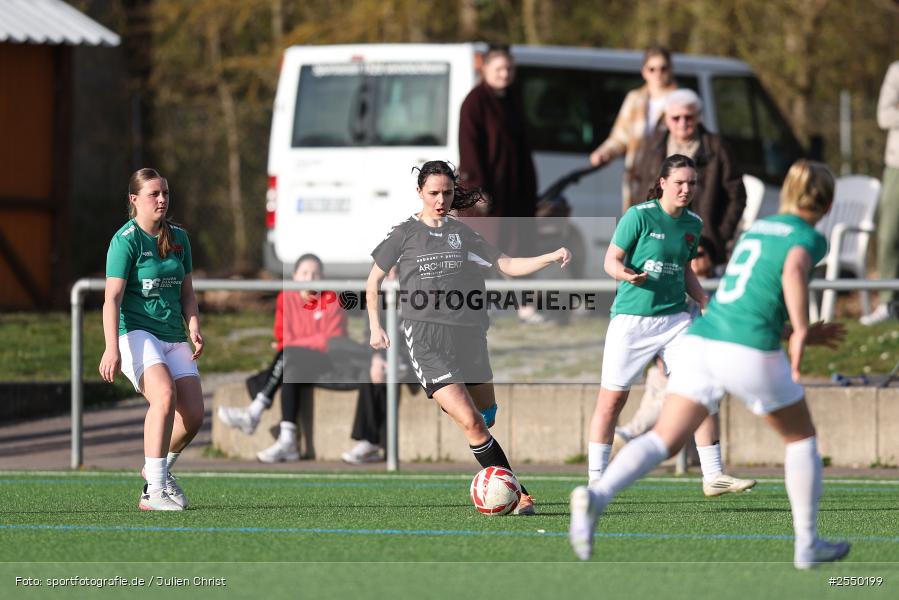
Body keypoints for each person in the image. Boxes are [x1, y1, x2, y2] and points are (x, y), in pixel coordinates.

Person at [570, 160, 850, 569]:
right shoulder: (810, 237)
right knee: (801, 438)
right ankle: (807, 544)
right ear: (827, 204)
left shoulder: (759, 228)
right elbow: (791, 272)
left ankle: (596, 496)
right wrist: (802, 332)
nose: (686, 188)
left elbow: (746, 294)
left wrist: (789, 331)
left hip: (704, 337)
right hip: (745, 347)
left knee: (664, 438)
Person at [367, 160, 571, 515]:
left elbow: (507, 265)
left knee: (486, 416)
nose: (441, 200)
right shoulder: (404, 234)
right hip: (427, 340)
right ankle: (519, 494)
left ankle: (480, 435)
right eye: (433, 193)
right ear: (419, 192)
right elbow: (373, 282)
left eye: (447, 193)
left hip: (470, 336)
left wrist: (550, 257)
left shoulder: (463, 234)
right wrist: (375, 326)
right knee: (473, 423)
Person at [586, 155, 755, 496]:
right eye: (679, 182)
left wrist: (704, 301)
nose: (686, 189)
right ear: (662, 183)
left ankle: (713, 475)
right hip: (632, 320)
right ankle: (595, 481)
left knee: (702, 391)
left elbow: (685, 269)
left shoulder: (693, 223)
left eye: (692, 183)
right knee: (611, 401)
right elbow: (610, 261)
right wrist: (626, 275)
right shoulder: (639, 216)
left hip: (676, 319)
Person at [99, 168, 204, 511]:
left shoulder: (179, 238)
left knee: (194, 416)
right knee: (164, 395)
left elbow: (187, 293)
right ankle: (154, 491)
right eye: (154, 194)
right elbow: (112, 299)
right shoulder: (125, 240)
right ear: (134, 199)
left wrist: (193, 326)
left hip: (172, 334)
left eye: (165, 193)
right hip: (136, 333)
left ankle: (157, 469)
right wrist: (111, 347)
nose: (162, 199)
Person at [218, 254, 347, 462]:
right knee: (291, 367)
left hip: (326, 361)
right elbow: (283, 336)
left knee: (289, 356)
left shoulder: (331, 299)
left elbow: (330, 341)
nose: (310, 277)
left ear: (323, 277)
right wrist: (301, 343)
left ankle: (255, 412)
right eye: (305, 273)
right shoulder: (285, 298)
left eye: (315, 273)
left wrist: (296, 343)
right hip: (294, 362)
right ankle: (287, 441)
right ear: (295, 276)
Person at [458, 44, 542, 322]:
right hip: (485, 196)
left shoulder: (512, 99)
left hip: (514, 191)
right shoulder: (474, 102)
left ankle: (524, 306)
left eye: (509, 69)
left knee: (518, 248)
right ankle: (472, 306)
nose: (504, 74)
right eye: (499, 69)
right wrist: (476, 191)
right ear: (485, 70)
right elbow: (469, 148)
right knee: (482, 250)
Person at [632, 88, 746, 270]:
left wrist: (717, 239)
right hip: (658, 245)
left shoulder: (717, 148)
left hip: (703, 247)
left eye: (689, 117)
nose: (682, 123)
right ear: (666, 119)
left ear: (699, 117)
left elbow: (737, 197)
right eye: (676, 118)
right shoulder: (653, 147)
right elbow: (641, 191)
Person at [589, 46, 678, 211]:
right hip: (637, 178)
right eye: (652, 69)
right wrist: (604, 153)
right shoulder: (634, 99)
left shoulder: (681, 101)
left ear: (671, 69)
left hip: (668, 180)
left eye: (663, 68)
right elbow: (620, 137)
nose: (658, 73)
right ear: (644, 72)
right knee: (636, 223)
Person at [861, 60, 899, 325]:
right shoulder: (896, 71)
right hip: (897, 166)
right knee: (889, 235)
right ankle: (888, 302)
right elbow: (884, 116)